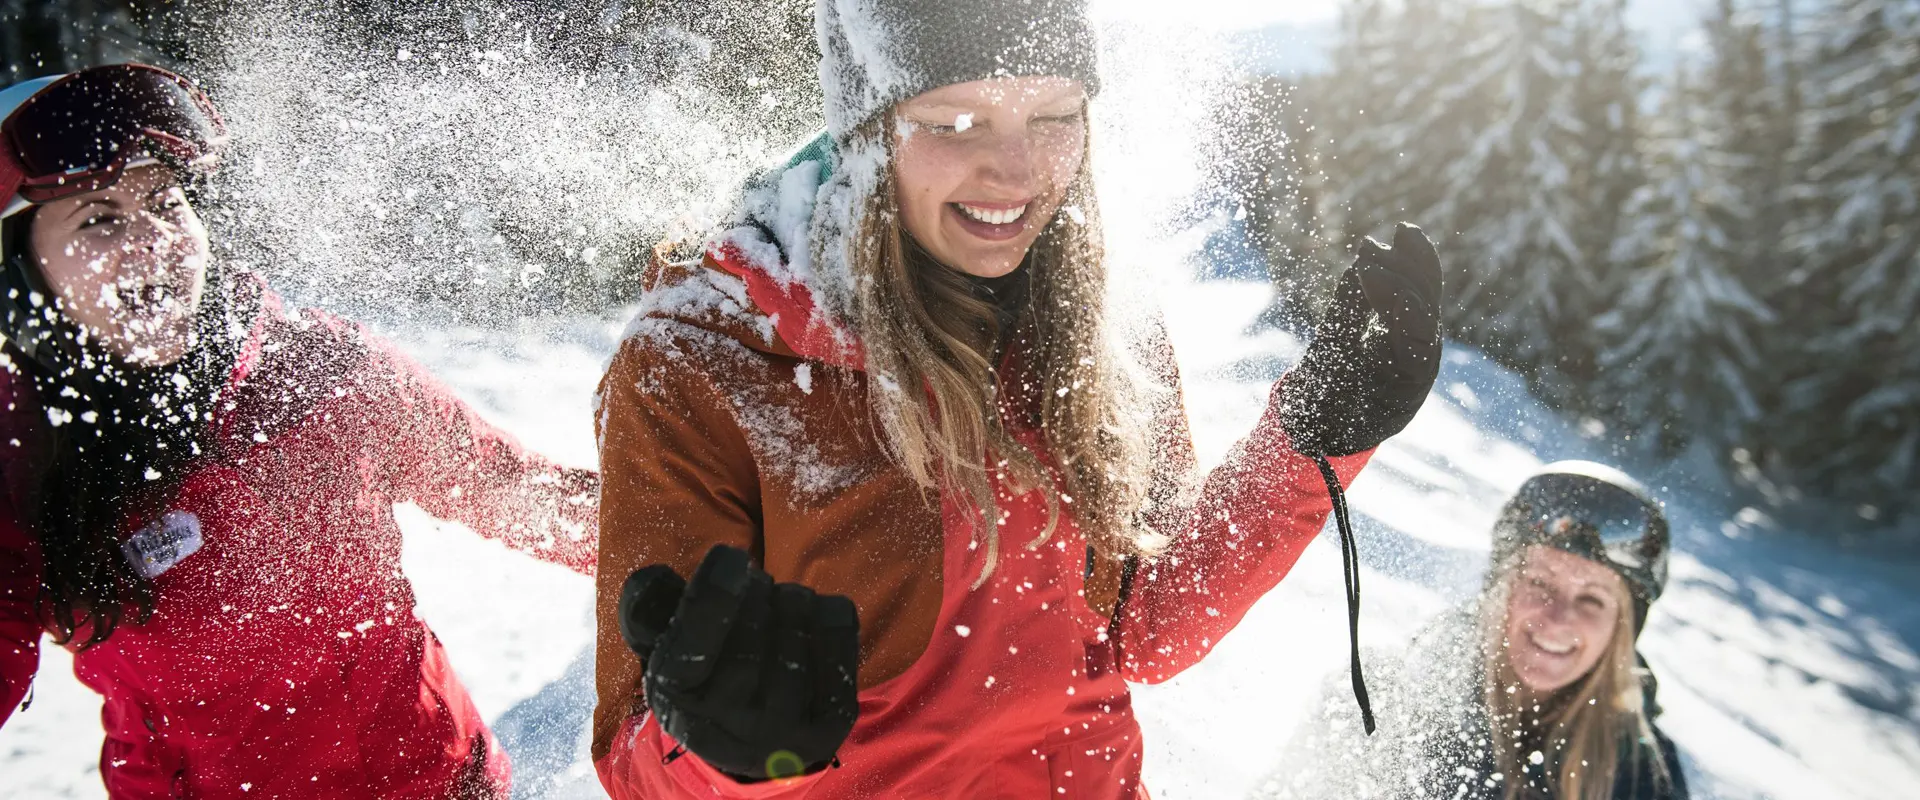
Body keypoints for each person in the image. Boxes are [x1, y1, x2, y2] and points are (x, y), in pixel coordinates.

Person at [591, 0, 1443, 796]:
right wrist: (717, 746)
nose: (1020, 170)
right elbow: (634, 761)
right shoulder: (705, 356)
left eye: (1055, 116)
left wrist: (1314, 437)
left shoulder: (1100, 322)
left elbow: (1141, 626)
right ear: (868, 131)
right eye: (956, 121)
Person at [0, 64, 598, 798]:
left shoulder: (321, 375)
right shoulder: (24, 451)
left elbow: (520, 494)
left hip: (434, 781)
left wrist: (727, 534)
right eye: (98, 218)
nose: (152, 239)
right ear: (22, 271)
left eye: (165, 201)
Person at [1255, 461, 1689, 800]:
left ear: (1621, 628)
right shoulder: (1391, 699)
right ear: (1501, 589)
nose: (1558, 619)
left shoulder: (1642, 775)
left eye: (1592, 600)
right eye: (1540, 583)